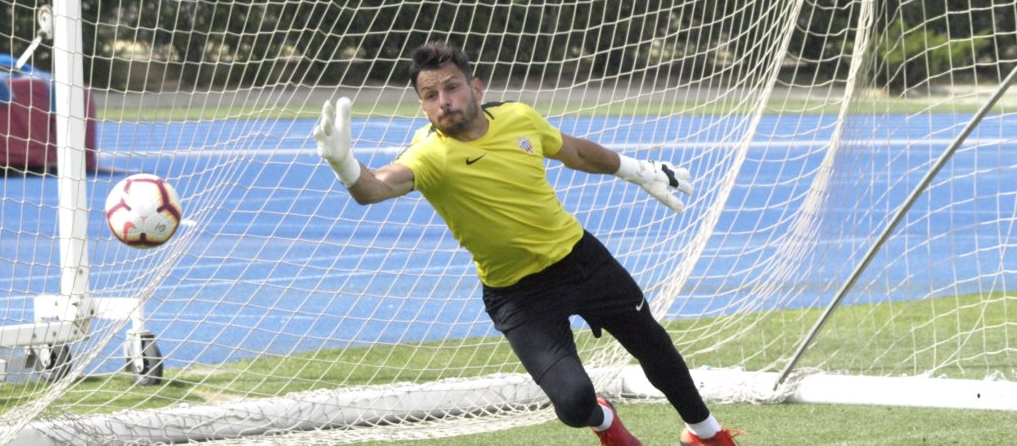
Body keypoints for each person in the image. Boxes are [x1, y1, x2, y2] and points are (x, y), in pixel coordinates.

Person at [313, 41, 741, 446]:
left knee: (655, 346)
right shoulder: (428, 155)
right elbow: (375, 188)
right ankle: (605, 421)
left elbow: (574, 152)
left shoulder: (518, 117)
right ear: (422, 106)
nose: (443, 101)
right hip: (518, 294)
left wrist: (637, 169)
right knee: (574, 404)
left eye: (451, 87)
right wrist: (345, 165)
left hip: (581, 260)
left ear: (476, 88)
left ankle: (705, 434)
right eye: (430, 95)